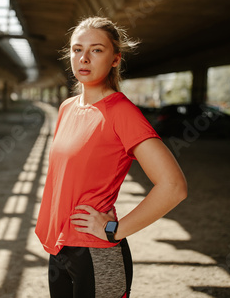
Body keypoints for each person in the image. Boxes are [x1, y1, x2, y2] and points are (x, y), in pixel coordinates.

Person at [35, 16, 188, 298]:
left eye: (96, 50)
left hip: (96, 253)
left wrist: (115, 229)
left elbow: (173, 186)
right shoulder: (67, 108)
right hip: (59, 249)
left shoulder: (122, 112)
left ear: (115, 59)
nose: (83, 58)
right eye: (77, 49)